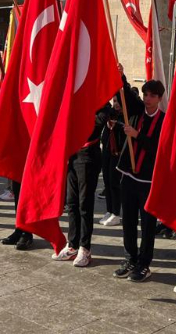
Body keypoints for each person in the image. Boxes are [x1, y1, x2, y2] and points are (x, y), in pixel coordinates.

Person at [113, 72, 164, 284]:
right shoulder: (136, 112)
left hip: (148, 180)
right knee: (129, 221)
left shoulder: (164, 121)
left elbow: (159, 149)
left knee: (148, 225)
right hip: (129, 176)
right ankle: (130, 259)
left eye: (152, 95)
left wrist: (138, 136)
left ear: (160, 98)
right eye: (146, 94)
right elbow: (126, 95)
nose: (148, 98)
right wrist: (120, 76)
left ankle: (144, 263)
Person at [52, 103, 114, 267]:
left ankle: (85, 248)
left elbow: (96, 124)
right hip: (72, 154)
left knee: (84, 204)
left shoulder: (102, 104)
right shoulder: (76, 99)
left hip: (88, 156)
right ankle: (72, 244)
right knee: (71, 202)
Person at [99, 97, 125, 227]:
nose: (116, 104)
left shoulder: (125, 115)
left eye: (118, 102)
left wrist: (117, 126)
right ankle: (109, 210)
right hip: (107, 151)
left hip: (118, 153)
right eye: (114, 101)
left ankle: (116, 212)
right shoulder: (110, 113)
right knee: (107, 181)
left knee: (114, 182)